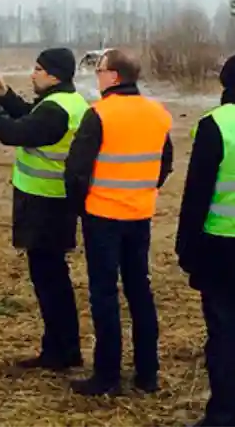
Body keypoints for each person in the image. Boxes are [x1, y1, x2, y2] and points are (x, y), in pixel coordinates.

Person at [0, 48, 89, 371]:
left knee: (50, 280)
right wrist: (4, 95)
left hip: (46, 204)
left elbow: (13, 132)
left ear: (54, 74)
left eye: (37, 69)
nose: (32, 74)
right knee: (52, 278)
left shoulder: (56, 110)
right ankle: (62, 348)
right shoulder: (67, 102)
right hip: (54, 202)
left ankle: (61, 353)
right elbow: (28, 118)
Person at [64, 48, 173, 396]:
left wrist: (80, 206)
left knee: (104, 295)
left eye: (100, 71)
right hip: (139, 215)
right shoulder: (158, 114)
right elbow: (164, 163)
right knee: (140, 291)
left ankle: (107, 375)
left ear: (114, 77)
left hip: (103, 217)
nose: (97, 77)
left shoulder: (100, 114)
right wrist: (142, 190)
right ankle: (147, 373)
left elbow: (77, 170)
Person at [175, 55, 235, 427]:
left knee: (225, 333)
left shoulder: (216, 125)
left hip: (222, 247)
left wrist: (187, 248)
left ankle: (225, 414)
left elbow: (196, 194)